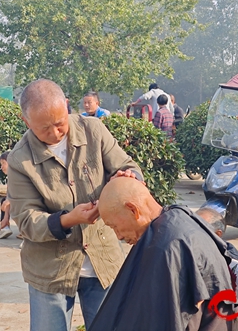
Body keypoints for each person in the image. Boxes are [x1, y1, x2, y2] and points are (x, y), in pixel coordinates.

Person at [7, 79, 143, 331]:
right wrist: (68, 220)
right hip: (50, 271)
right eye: (44, 128)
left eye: (60, 123)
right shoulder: (20, 159)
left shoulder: (94, 130)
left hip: (104, 260)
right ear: (26, 122)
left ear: (67, 107)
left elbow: (128, 166)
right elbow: (26, 220)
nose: (55, 133)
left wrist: (128, 178)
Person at [90, 177, 238, 331]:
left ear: (133, 210)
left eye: (114, 226)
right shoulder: (175, 218)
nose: (118, 236)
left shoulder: (167, 247)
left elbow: (164, 321)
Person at [196, 207, 238, 331]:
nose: (192, 233)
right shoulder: (197, 252)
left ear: (217, 234)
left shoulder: (226, 261)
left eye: (199, 229)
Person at [0, 150, 14, 239]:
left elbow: (27, 194)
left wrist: (9, 201)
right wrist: (6, 218)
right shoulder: (10, 177)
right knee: (4, 201)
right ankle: (5, 227)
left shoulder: (20, 176)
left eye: (3, 163)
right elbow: (9, 195)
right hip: (17, 200)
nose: (1, 167)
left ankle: (28, 234)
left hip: (28, 201)